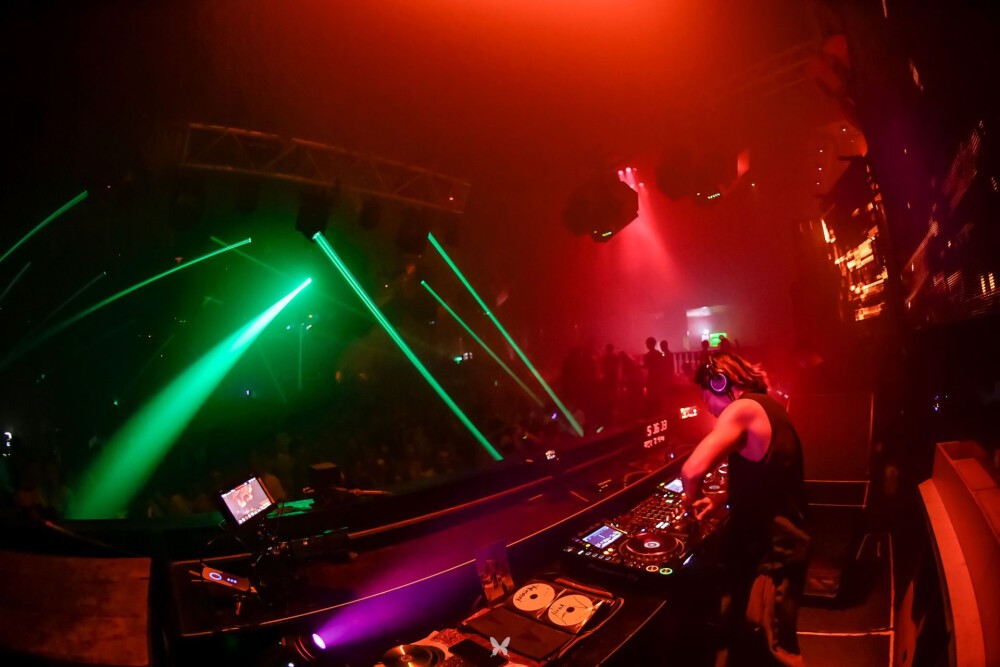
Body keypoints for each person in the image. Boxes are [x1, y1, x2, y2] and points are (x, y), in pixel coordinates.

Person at [681, 352, 810, 667]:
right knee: (749, 645)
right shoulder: (769, 408)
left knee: (775, 652)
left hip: (773, 557)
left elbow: (691, 471)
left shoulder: (742, 409)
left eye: (706, 399)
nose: (709, 410)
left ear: (719, 382)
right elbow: (769, 477)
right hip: (778, 549)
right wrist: (719, 499)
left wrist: (690, 505)